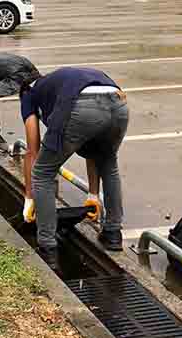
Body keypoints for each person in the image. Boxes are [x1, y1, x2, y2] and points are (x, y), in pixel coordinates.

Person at [19, 67, 129, 268]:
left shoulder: (29, 94)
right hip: (118, 102)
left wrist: (29, 197)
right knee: (108, 162)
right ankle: (113, 234)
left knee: (43, 172)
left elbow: (32, 151)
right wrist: (92, 195)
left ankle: (47, 247)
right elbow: (91, 147)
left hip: (83, 106)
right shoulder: (59, 82)